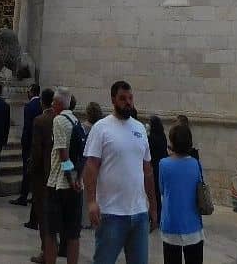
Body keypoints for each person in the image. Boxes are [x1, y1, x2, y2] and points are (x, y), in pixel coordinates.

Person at [82, 80, 157, 264]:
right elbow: (91, 167)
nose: (128, 102)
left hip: (139, 214)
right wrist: (91, 202)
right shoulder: (101, 128)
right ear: (113, 100)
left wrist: (153, 207)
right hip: (110, 214)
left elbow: (147, 171)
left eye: (130, 98)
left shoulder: (140, 128)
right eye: (123, 98)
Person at [44, 88, 84, 264]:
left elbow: (63, 152)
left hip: (59, 183)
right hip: (76, 185)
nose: (52, 104)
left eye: (54, 101)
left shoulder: (59, 120)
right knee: (73, 233)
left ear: (59, 103)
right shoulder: (76, 121)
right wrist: (78, 178)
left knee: (51, 232)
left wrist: (70, 178)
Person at [158, 123, 204, 264]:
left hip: (171, 224)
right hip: (193, 225)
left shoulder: (163, 164)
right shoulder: (195, 164)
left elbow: (162, 190)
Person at [28, 87, 56, 261]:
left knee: (43, 215)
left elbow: (36, 151)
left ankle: (46, 251)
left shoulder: (40, 120)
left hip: (43, 175)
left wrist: (31, 171)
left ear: (41, 102)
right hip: (58, 173)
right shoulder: (60, 119)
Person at [12, 82, 42, 206]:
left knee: (27, 170)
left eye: (29, 91)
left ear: (32, 92)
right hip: (39, 144)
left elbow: (28, 128)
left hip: (30, 144)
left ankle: (23, 196)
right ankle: (34, 195)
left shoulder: (29, 107)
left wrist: (24, 142)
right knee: (36, 171)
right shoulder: (41, 105)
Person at [148, 115, 168, 222]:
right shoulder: (163, 136)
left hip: (155, 167)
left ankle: (156, 214)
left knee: (155, 193)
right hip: (163, 166)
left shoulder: (151, 138)